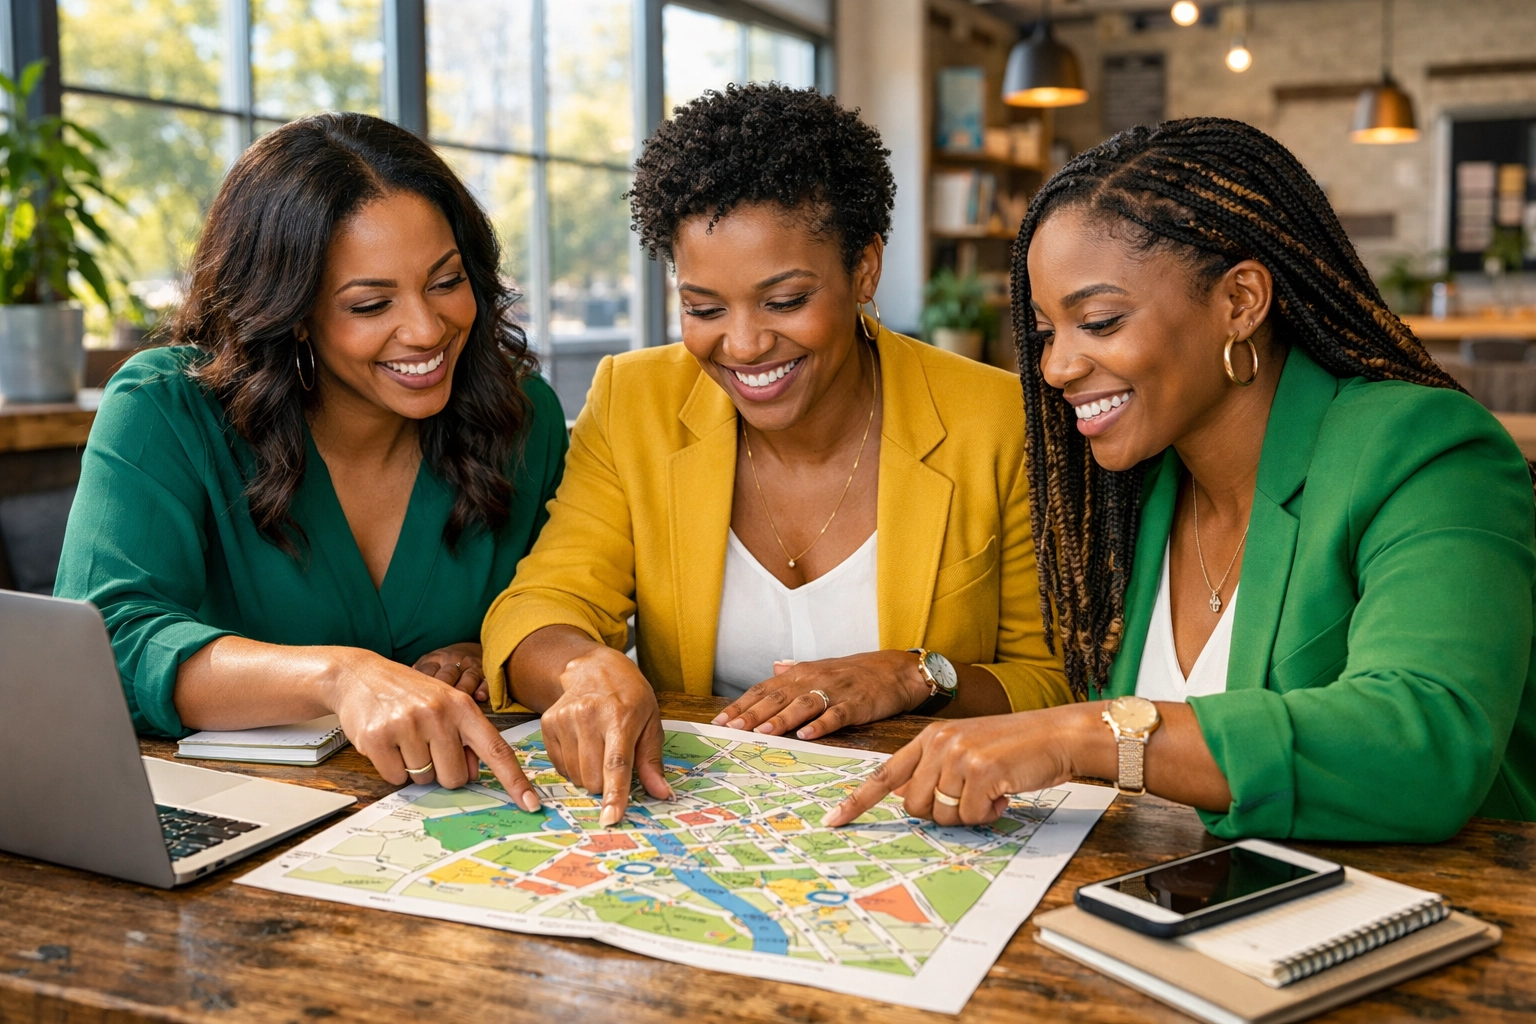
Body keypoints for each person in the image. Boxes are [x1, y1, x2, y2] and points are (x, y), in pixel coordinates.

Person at [827, 118, 1536, 841]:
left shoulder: (1426, 451)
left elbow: (1425, 745)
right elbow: (1063, 703)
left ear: (1240, 302)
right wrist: (920, 676)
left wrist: (1093, 737)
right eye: (1045, 332)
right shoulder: (1130, 489)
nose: (1055, 367)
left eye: (1099, 322)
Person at [480, 84, 1069, 827]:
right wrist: (586, 669)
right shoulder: (636, 401)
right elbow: (541, 603)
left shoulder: (996, 420)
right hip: (705, 827)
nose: (746, 344)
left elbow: (1051, 682)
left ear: (864, 269)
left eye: (785, 301)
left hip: (923, 822)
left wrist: (916, 676)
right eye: (704, 308)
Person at [55, 113, 564, 807]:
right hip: (234, 823)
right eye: (371, 303)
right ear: (291, 310)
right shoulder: (165, 407)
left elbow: (562, 602)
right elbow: (104, 646)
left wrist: (494, 653)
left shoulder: (520, 416)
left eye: (445, 282)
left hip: (461, 823)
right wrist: (338, 676)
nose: (425, 329)